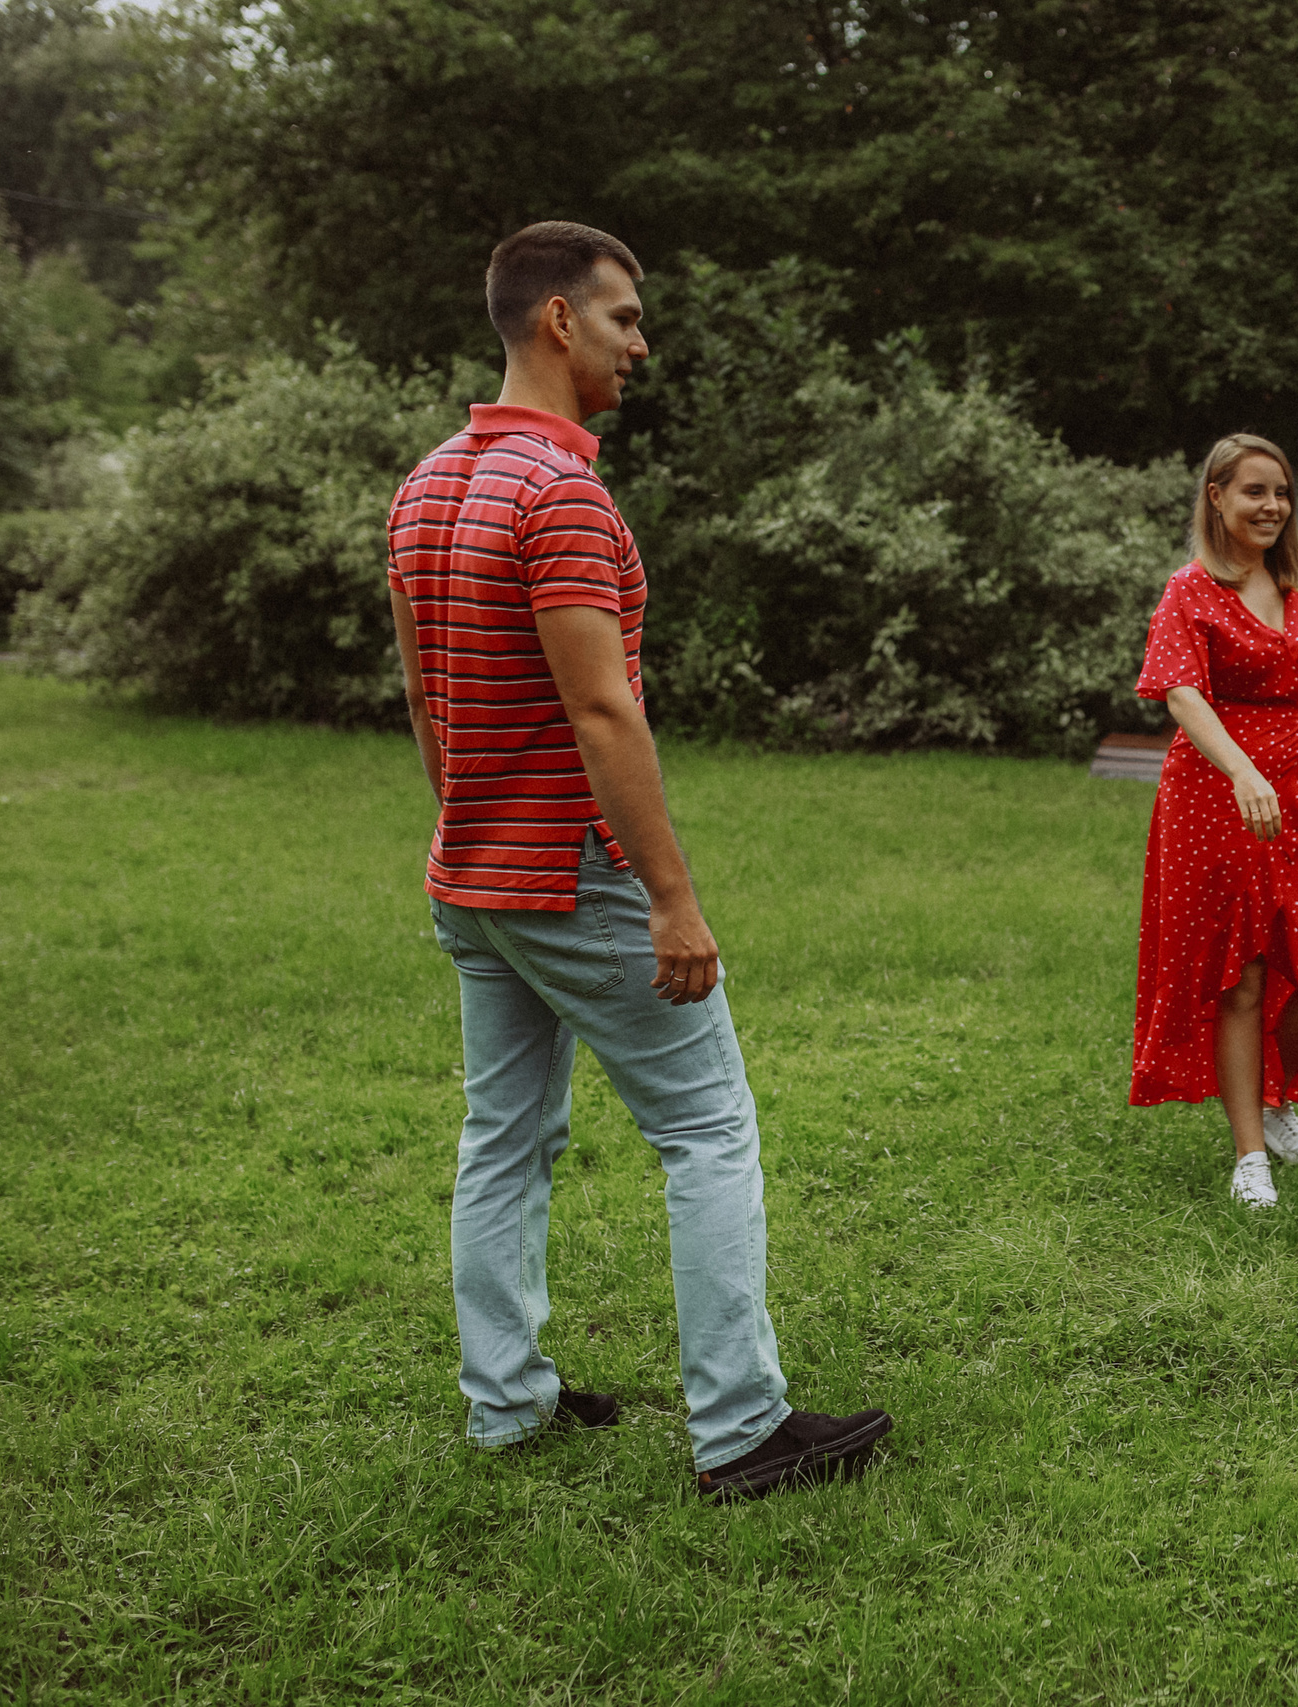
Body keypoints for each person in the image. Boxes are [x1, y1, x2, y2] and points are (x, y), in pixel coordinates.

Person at [386, 220, 891, 1502]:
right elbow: (604, 713)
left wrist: (472, 832)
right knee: (710, 1131)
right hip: (570, 875)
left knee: (502, 1138)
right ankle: (741, 1430)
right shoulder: (559, 494)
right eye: (624, 317)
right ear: (558, 321)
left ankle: (506, 1407)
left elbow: (427, 703)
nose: (638, 342)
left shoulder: (428, 484)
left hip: (473, 877)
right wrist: (671, 900)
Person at [1129, 434, 1298, 1208]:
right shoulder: (1189, 590)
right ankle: (1250, 1156)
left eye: (1281, 493)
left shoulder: (1294, 584)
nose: (1272, 506)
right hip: (1214, 795)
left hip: (1292, 794)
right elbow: (1180, 694)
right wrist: (1241, 770)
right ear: (1216, 496)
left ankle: (1274, 1101)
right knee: (1238, 978)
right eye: (1254, 492)